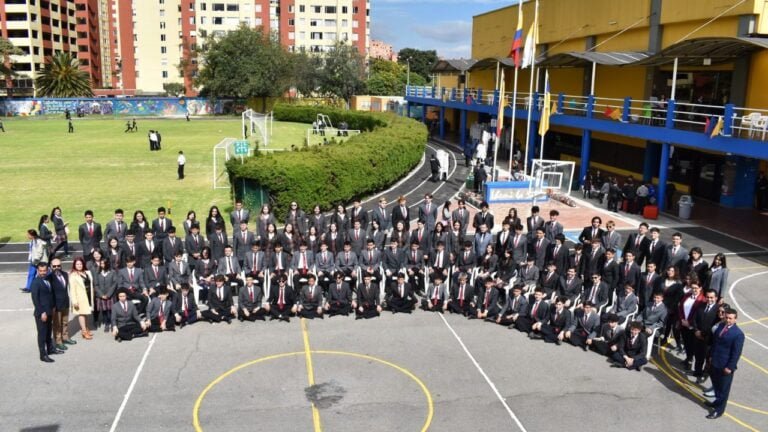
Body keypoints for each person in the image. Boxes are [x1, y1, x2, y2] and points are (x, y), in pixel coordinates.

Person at [705, 308, 744, 419]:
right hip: (715, 361)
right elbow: (715, 344)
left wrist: (730, 367)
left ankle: (719, 410)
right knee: (716, 385)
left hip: (725, 365)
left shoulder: (738, 334)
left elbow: (736, 353)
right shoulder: (721, 327)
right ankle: (717, 402)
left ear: (735, 319)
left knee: (723, 389)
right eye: (726, 317)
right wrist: (711, 357)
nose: (728, 320)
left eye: (730, 318)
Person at [31, 262, 60, 363]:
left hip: (49, 311)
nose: (43, 273)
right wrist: (42, 312)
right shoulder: (35, 282)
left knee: (48, 332)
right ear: (38, 271)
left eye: (44, 271)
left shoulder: (47, 280)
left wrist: (53, 307)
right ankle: (43, 355)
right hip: (41, 313)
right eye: (41, 271)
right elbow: (35, 299)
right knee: (42, 334)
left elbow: (49, 295)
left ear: (47, 270)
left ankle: (50, 349)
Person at [69, 257, 94, 340]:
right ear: (74, 265)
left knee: (85, 313)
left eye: (80, 264)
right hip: (80, 298)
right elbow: (72, 289)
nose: (79, 265)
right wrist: (74, 301)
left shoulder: (87, 272)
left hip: (88, 296)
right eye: (77, 264)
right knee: (81, 314)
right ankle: (84, 331)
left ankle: (86, 328)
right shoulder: (73, 275)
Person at [94, 258, 117, 333]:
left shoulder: (112, 272)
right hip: (101, 295)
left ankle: (111, 324)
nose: (102, 265)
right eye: (101, 264)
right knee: (104, 311)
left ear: (107, 264)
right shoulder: (97, 272)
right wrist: (101, 295)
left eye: (104, 263)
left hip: (110, 295)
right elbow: (96, 285)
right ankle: (106, 323)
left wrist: (108, 294)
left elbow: (114, 284)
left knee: (110, 311)